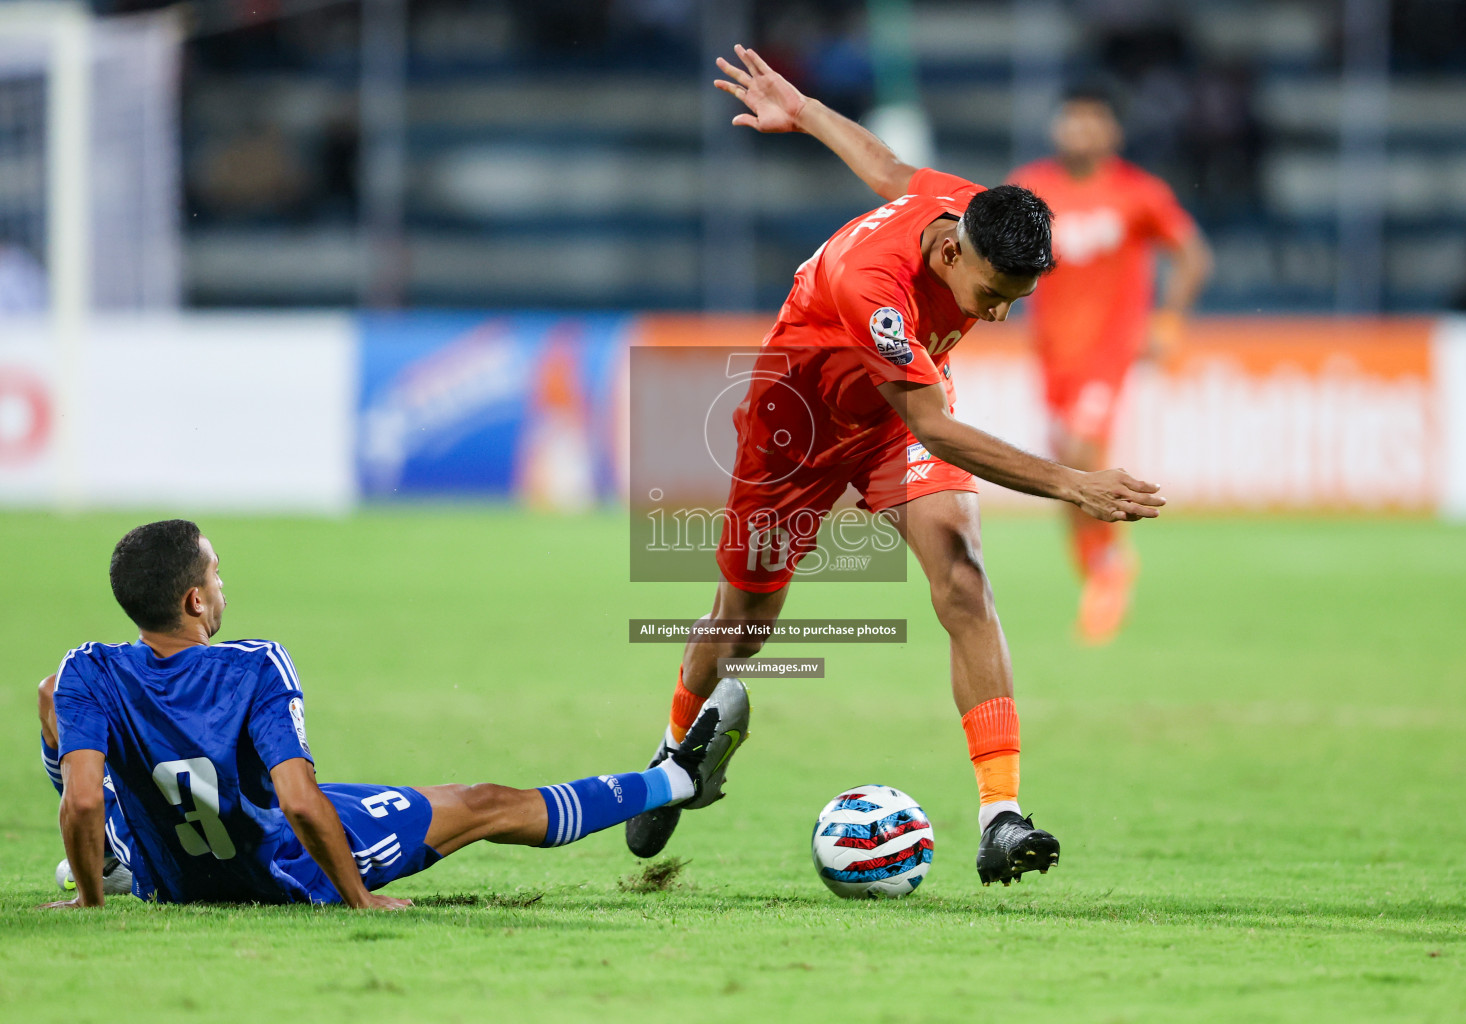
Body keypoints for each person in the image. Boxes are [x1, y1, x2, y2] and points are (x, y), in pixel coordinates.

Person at [624, 46, 1166, 887]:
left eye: (1016, 301)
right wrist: (1071, 482)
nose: (999, 313)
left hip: (894, 424)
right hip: (795, 433)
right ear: (951, 258)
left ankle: (1001, 816)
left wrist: (802, 110)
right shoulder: (874, 285)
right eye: (994, 295)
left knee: (963, 575)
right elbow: (937, 427)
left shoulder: (960, 209)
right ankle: (671, 759)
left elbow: (892, 168)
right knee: (745, 622)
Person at [41, 519, 747, 909]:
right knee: (482, 804)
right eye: (216, 572)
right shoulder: (253, 665)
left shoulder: (86, 670)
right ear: (195, 602)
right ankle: (677, 779)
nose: (223, 584)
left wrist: (90, 906)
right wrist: (358, 900)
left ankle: (111, 863)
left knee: (55, 711)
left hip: (171, 876)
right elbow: (300, 803)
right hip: (282, 870)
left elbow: (78, 800)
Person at [1005, 82, 1211, 644]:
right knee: (1065, 477)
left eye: (1092, 121)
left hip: (1108, 353)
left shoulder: (1138, 194)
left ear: (1113, 132)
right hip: (1052, 357)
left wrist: (1168, 319)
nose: (1079, 131)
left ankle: (1109, 567)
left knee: (1079, 450)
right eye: (1070, 120)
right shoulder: (1030, 188)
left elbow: (1192, 254)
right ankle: (1100, 568)